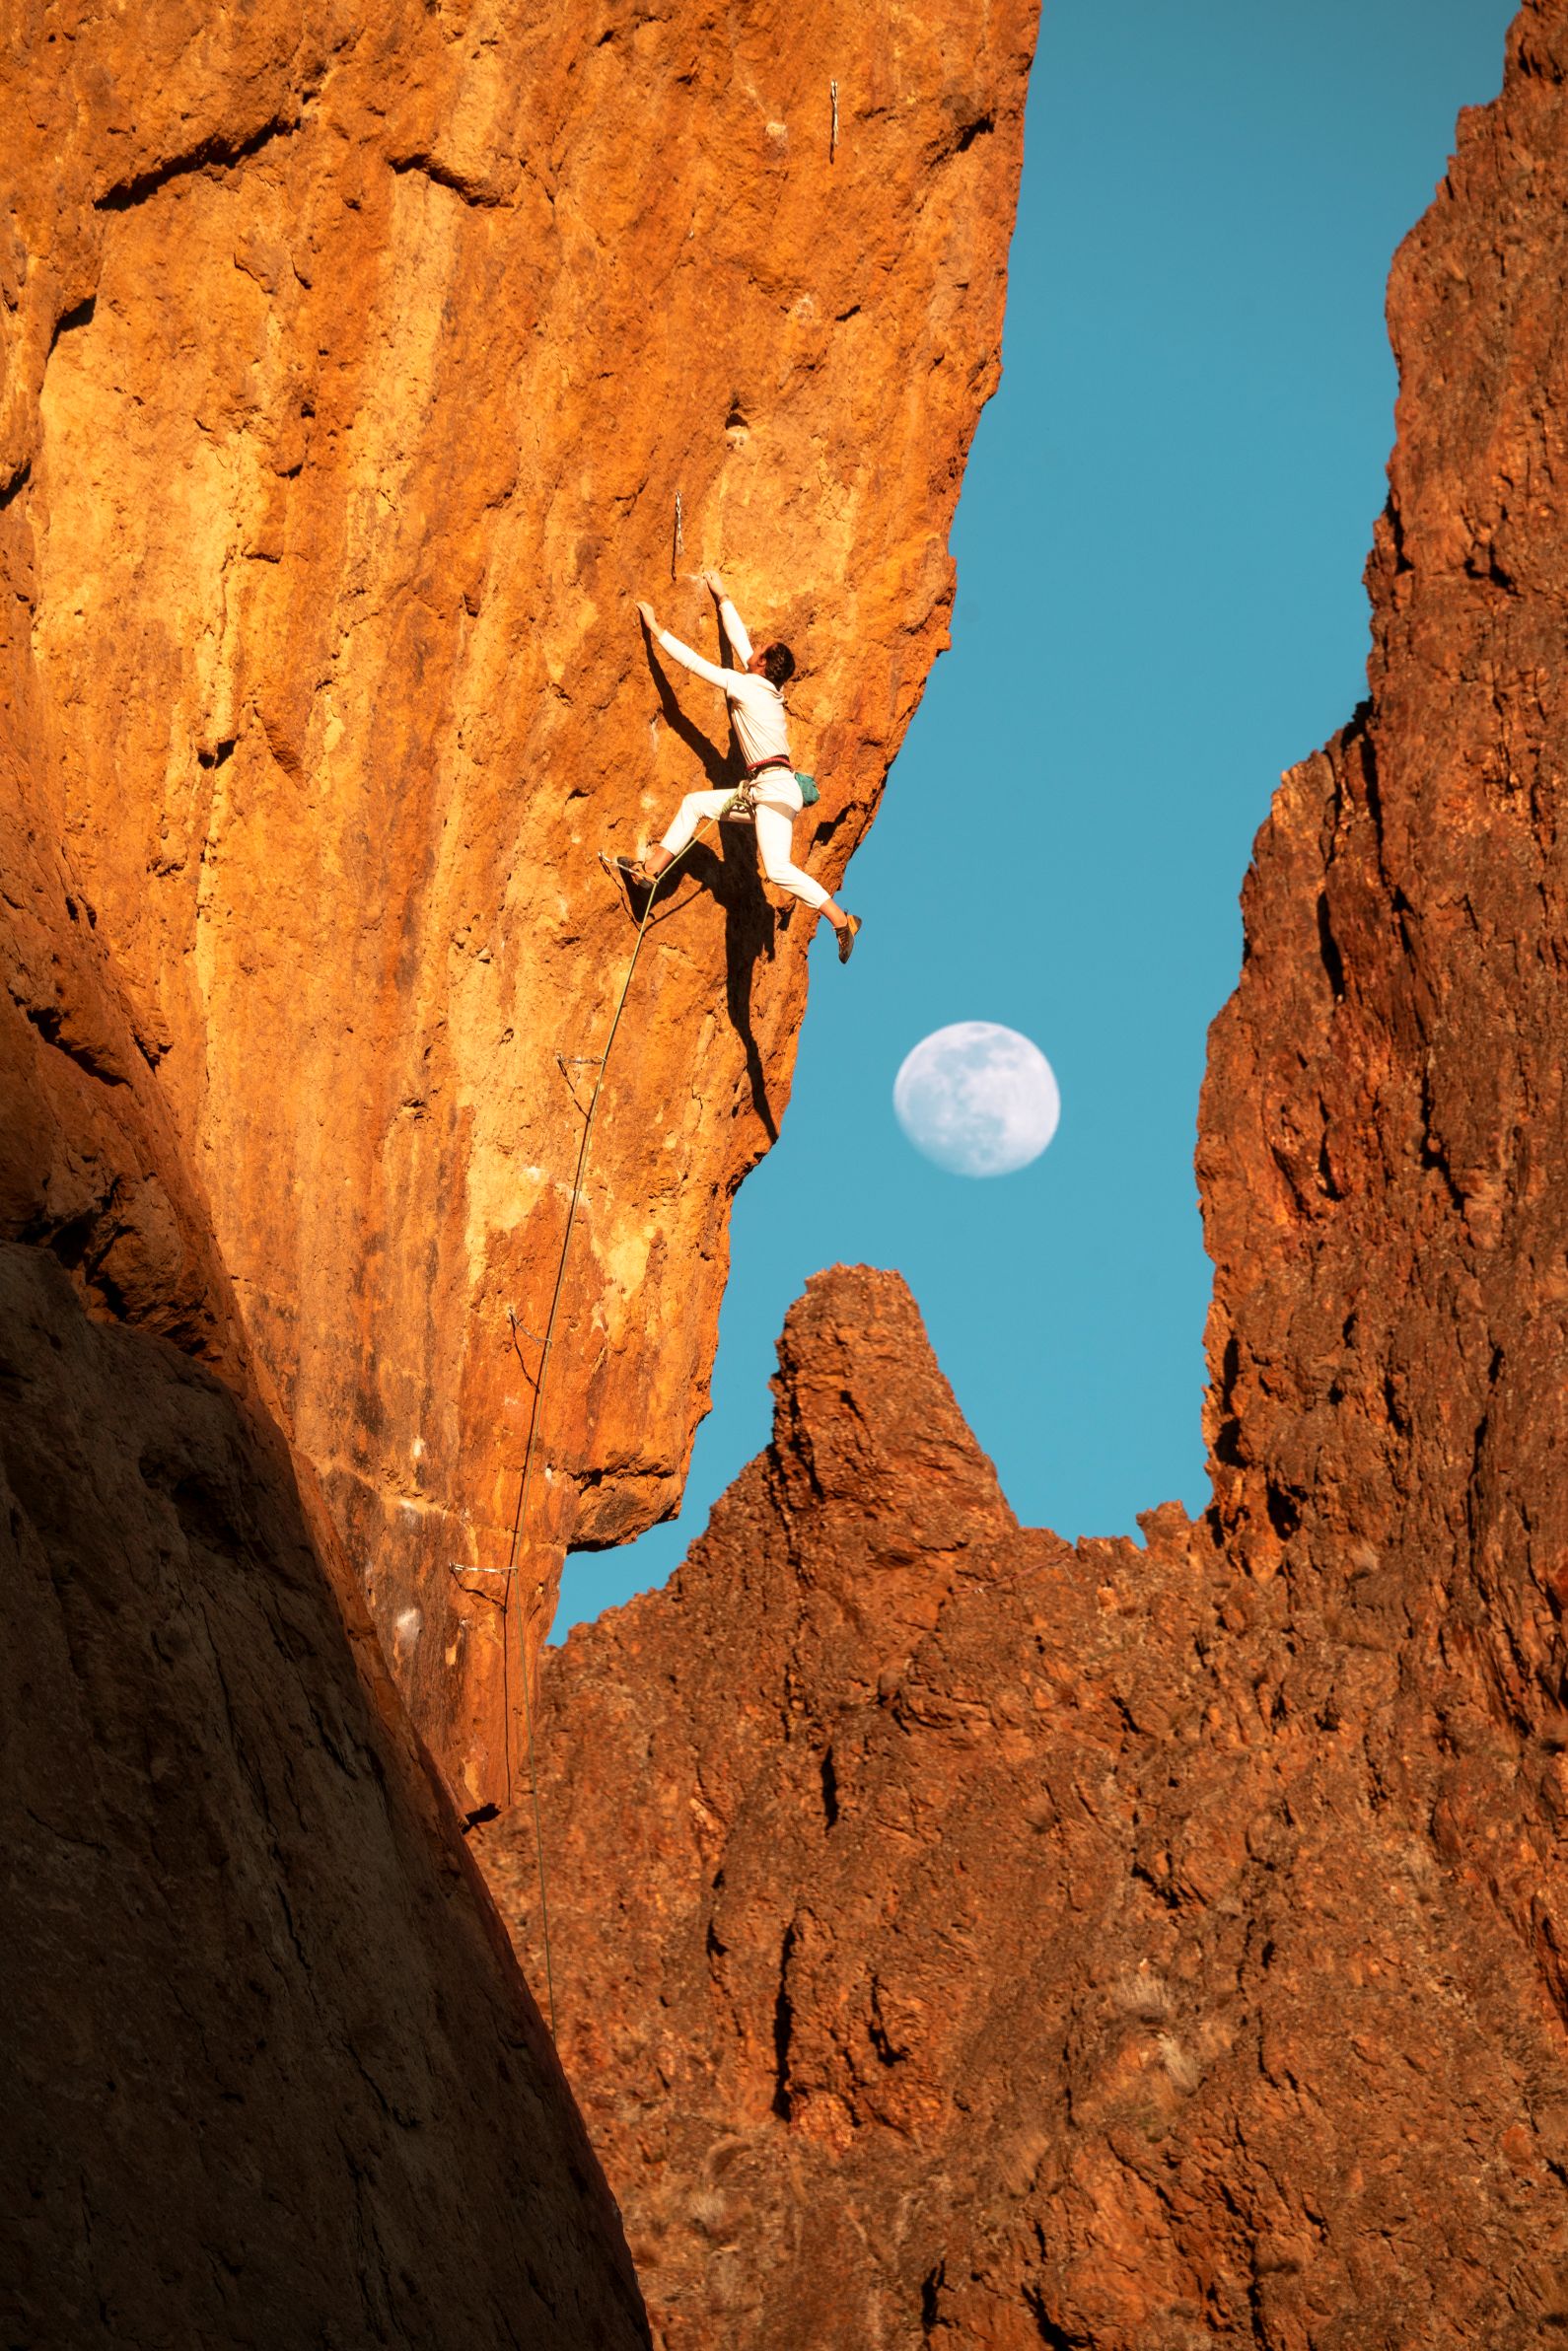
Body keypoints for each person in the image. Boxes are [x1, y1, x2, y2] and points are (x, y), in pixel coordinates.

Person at [612, 571, 861, 962]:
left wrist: (656, 629)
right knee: (695, 804)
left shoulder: (746, 686)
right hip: (767, 790)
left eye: (760, 649)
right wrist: (722, 596)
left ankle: (840, 919)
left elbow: (695, 664)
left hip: (773, 791)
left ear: (762, 664)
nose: (755, 646)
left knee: (777, 870)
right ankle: (650, 871)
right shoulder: (766, 688)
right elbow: (740, 641)